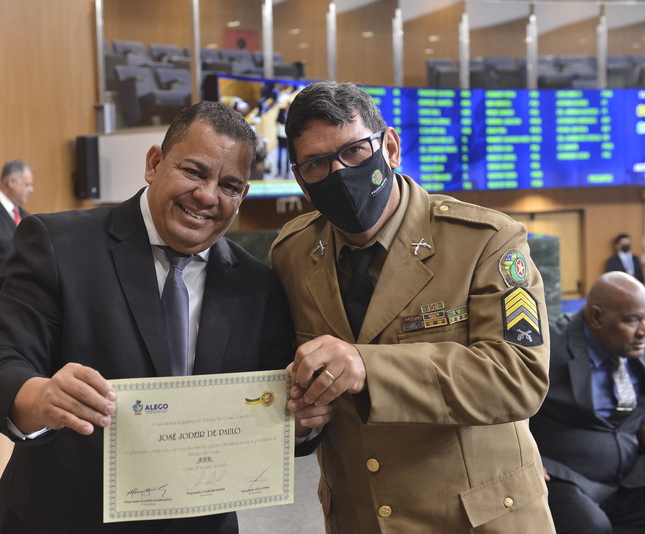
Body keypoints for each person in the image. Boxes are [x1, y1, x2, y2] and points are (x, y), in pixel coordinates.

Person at [0, 102, 296, 534]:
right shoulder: (58, 245)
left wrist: (304, 413)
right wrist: (41, 397)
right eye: (194, 172)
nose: (208, 195)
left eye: (229, 185)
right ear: (154, 164)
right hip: (65, 520)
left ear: (242, 196)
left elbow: (281, 410)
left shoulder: (257, 286)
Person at [269, 81, 555, 532]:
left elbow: (519, 377)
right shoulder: (292, 254)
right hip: (359, 518)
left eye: (355, 151)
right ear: (301, 179)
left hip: (478, 519)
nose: (339, 173)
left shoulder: (485, 242)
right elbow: (285, 381)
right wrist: (301, 419)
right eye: (317, 164)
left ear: (390, 147)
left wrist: (368, 367)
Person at [530, 271, 645, 534]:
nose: (643, 331)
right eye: (632, 320)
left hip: (630, 476)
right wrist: (522, 457)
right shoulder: (547, 348)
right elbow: (499, 408)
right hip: (565, 478)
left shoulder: (636, 349)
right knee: (592, 526)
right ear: (596, 317)